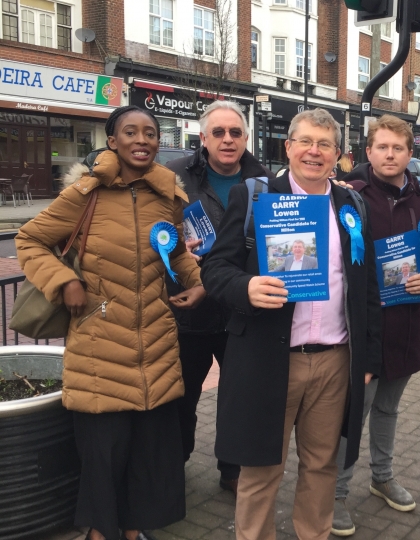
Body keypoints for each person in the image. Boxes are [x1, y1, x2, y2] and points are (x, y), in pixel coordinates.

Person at [15, 105, 204, 540]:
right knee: (104, 455)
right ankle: (101, 532)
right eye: (131, 132)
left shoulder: (167, 197)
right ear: (112, 141)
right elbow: (30, 240)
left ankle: (134, 530)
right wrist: (63, 281)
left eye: (151, 133)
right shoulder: (85, 194)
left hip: (155, 344)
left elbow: (174, 251)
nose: (143, 140)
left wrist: (197, 282)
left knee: (146, 454)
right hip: (99, 344)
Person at [200, 108, 382, 540]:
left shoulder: (352, 204)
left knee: (322, 465)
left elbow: (367, 287)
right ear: (288, 147)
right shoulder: (255, 196)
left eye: (324, 144)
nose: (314, 152)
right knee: (262, 467)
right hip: (270, 357)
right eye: (305, 142)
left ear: (338, 154)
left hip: (335, 359)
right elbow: (216, 269)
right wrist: (245, 287)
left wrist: (369, 355)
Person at [333, 114, 420, 536]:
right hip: (366, 327)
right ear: (369, 152)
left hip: (407, 326)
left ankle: (382, 477)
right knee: (353, 413)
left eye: (399, 148)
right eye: (383, 147)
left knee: (389, 409)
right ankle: (337, 493)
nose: (390, 154)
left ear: (410, 154)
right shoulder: (350, 196)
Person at [166, 100, 274, 495]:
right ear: (203, 138)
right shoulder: (174, 176)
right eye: (219, 133)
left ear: (246, 138)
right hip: (188, 311)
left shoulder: (264, 180)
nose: (228, 140)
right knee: (181, 398)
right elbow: (150, 231)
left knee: (239, 401)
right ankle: (174, 468)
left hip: (241, 314)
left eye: (235, 133)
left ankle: (232, 470)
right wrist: (175, 244)